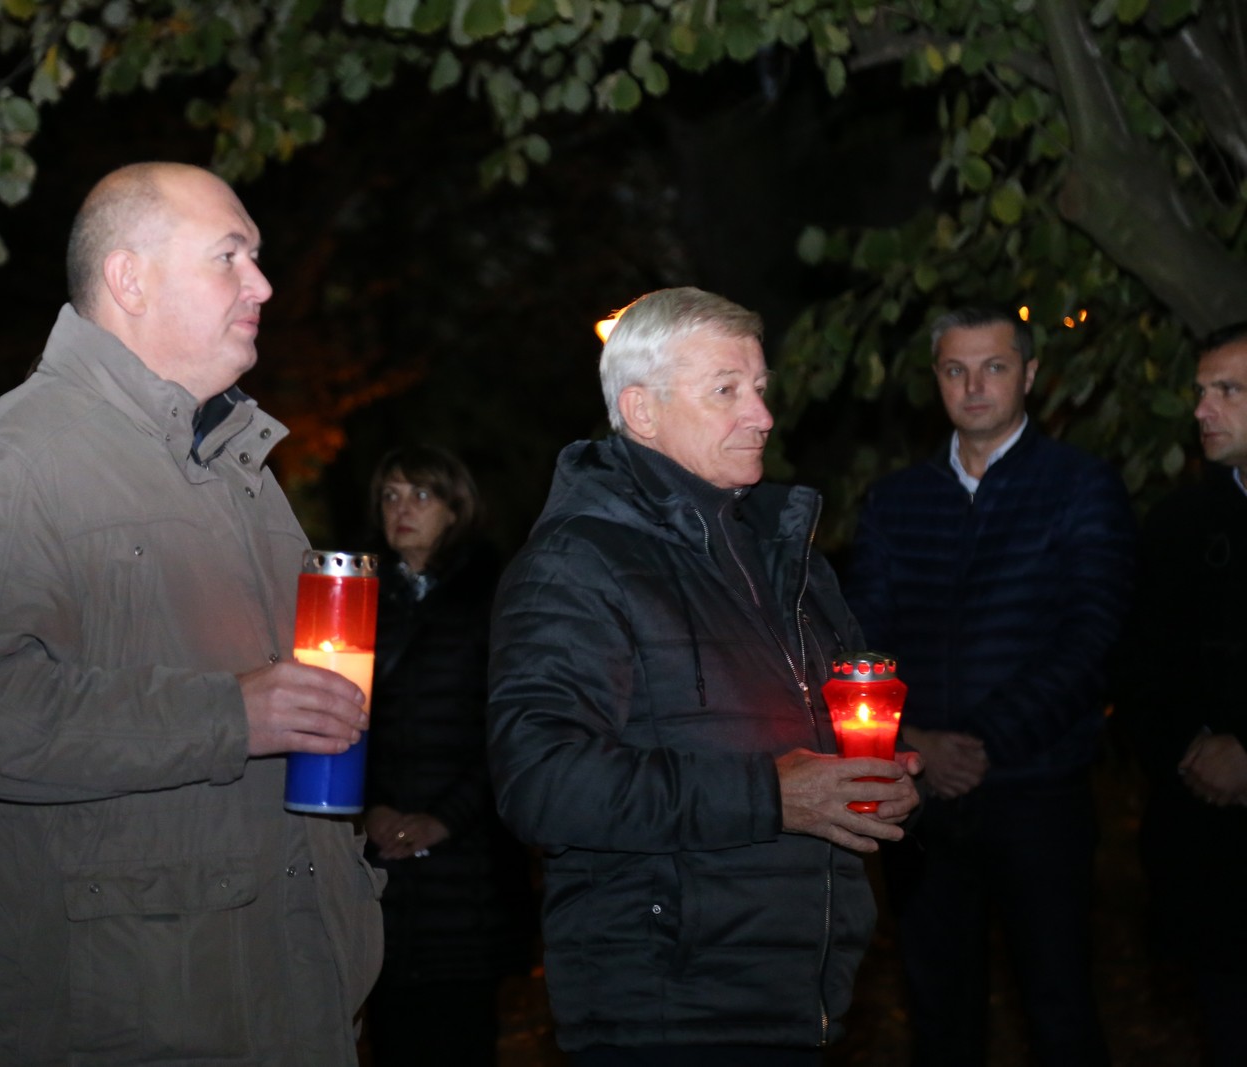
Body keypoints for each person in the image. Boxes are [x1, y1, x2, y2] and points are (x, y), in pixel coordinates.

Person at [0, 162, 383, 1067]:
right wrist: (228, 714)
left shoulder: (242, 470)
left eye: (258, 258)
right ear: (130, 279)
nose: (262, 285)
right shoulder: (9, 465)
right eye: (230, 256)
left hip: (288, 1000)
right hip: (126, 1023)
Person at [487, 287, 922, 1065]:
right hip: (666, 1003)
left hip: (802, 995)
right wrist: (773, 795)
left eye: (759, 388)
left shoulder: (789, 558)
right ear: (642, 410)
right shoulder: (578, 563)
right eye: (726, 390)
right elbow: (541, 781)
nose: (761, 414)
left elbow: (816, 742)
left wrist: (877, 774)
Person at [846, 305, 1134, 1067]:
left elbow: (1092, 636)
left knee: (1060, 1007)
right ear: (934, 378)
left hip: (1038, 791)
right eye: (954, 368)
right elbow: (858, 641)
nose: (974, 385)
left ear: (1030, 375)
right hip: (920, 798)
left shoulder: (1080, 487)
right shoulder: (893, 500)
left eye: (994, 366)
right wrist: (911, 742)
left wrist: (979, 741)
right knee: (938, 1015)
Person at [361, 444, 534, 1066]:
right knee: (391, 1031)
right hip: (380, 861)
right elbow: (346, 717)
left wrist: (449, 817)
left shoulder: (498, 599)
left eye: (421, 495)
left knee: (459, 1033)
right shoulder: (357, 598)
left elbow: (514, 728)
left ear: (457, 509)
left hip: (468, 866)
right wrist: (371, 805)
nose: (402, 509)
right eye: (390, 495)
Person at [1118, 322, 1247, 1067]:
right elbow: (1141, 669)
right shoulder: (1177, 526)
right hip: (1210, 865)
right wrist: (1192, 749)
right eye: (1201, 390)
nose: (1202, 409)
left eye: (1227, 390)